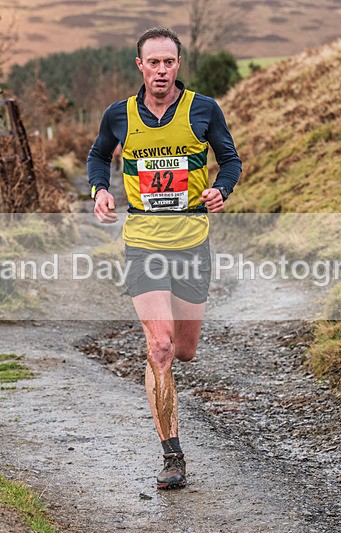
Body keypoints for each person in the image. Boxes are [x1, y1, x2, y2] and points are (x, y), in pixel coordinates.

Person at [86, 27, 241, 490]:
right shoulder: (119, 115)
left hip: (192, 241)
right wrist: (99, 191)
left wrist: (221, 188)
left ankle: (166, 359)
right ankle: (172, 455)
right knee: (161, 347)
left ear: (178, 65)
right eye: (152, 62)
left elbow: (230, 160)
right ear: (140, 65)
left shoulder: (204, 109)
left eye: (168, 62)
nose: (160, 70)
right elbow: (98, 157)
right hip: (144, 242)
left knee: (185, 348)